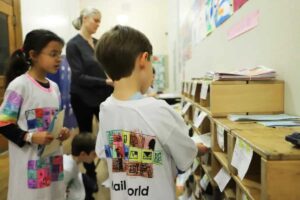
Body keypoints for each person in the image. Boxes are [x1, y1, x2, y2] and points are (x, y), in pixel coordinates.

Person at [94, 25, 208, 199]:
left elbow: (102, 151)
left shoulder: (105, 109)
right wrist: (198, 148)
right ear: (143, 59)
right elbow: (185, 155)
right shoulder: (158, 110)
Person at [0, 29, 70, 200]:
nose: (58, 58)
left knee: (53, 194)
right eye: (53, 53)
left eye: (60, 54)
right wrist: (30, 137)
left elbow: (51, 123)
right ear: (33, 55)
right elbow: (3, 123)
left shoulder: (54, 87)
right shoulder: (20, 86)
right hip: (30, 164)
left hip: (53, 160)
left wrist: (61, 131)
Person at [66, 7, 113, 187]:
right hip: (82, 98)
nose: (98, 24)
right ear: (85, 19)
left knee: (110, 134)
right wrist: (105, 82)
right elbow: (78, 76)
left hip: (102, 96)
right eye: (96, 20)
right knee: (87, 137)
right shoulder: (73, 44)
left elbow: (105, 68)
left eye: (100, 21)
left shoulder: (98, 42)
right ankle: (91, 176)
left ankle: (114, 169)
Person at [64, 133, 97, 200]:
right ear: (83, 154)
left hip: (74, 180)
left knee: (93, 186)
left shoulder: (72, 161)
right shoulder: (67, 170)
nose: (96, 156)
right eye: (94, 153)